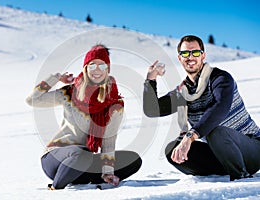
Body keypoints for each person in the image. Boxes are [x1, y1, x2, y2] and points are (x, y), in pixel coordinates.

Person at [143, 35, 260, 181]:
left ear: (203, 55)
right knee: (172, 149)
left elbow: (219, 109)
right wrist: (151, 80)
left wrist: (190, 137)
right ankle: (219, 174)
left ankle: (241, 177)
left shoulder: (220, 78)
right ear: (180, 58)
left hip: (252, 150)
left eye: (195, 52)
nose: (190, 57)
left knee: (215, 132)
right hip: (221, 154)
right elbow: (152, 110)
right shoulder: (183, 92)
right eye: (185, 53)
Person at [26, 44, 142, 189]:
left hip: (83, 160)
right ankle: (57, 187)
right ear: (85, 68)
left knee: (133, 160)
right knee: (82, 155)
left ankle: (81, 178)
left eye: (102, 66)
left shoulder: (115, 104)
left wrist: (107, 172)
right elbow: (32, 99)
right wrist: (55, 79)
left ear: (108, 70)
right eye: (92, 65)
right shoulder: (70, 92)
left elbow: (108, 141)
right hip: (56, 157)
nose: (97, 70)